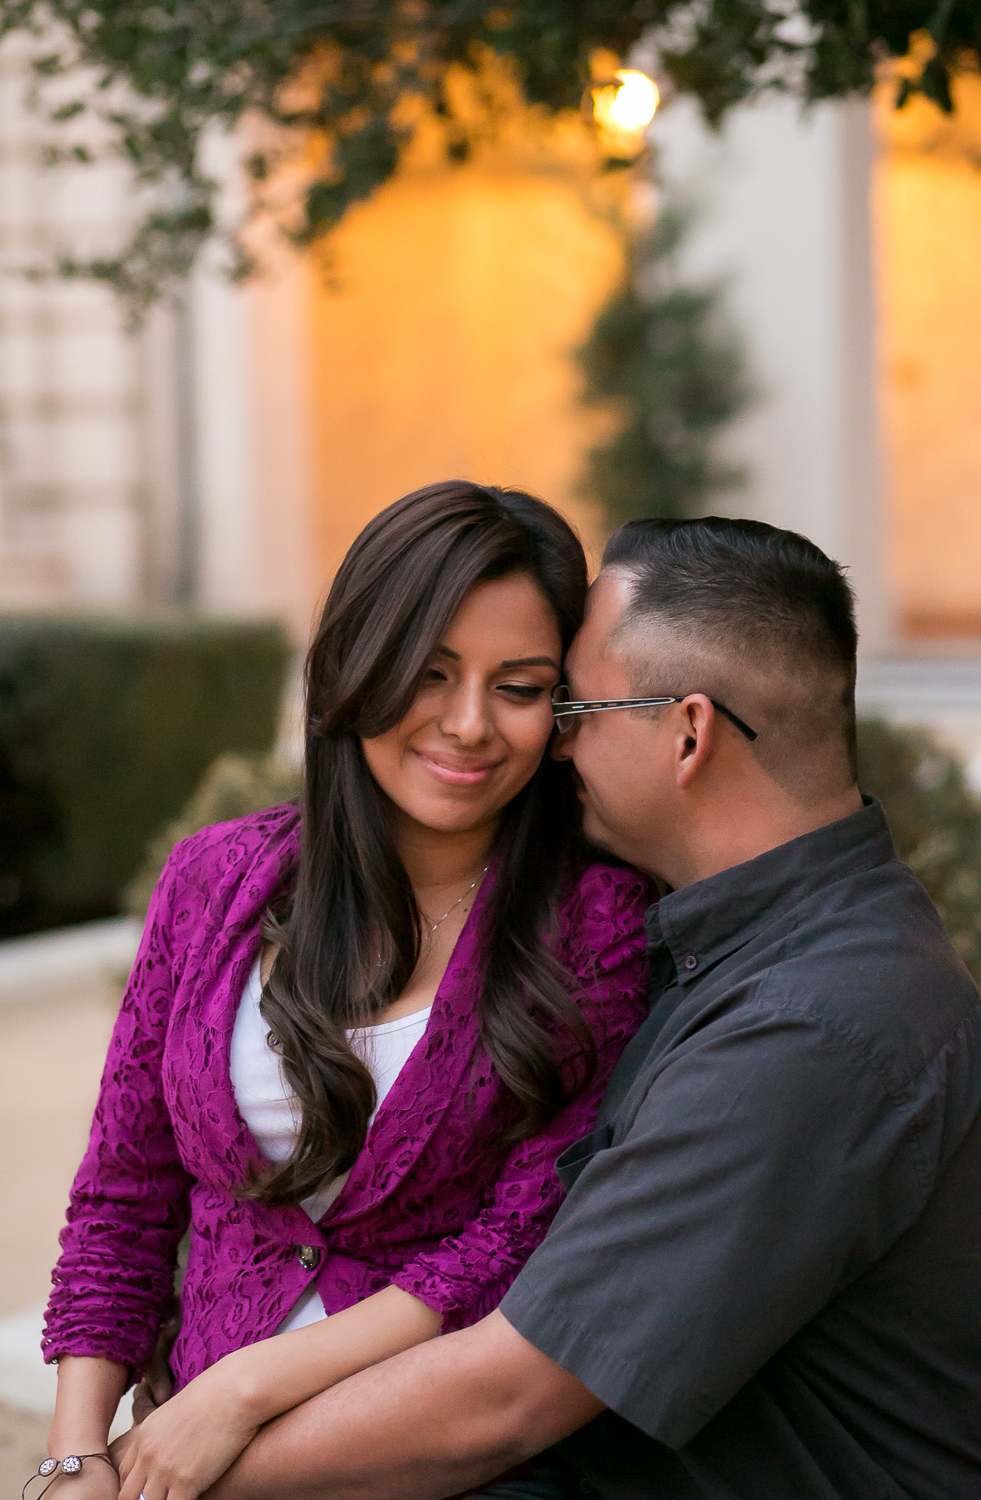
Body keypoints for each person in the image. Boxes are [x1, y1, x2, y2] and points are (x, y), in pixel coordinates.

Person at [195, 517, 980, 1500]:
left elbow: (504, 1400)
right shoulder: (727, 940)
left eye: (571, 706)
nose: (553, 748)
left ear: (687, 732)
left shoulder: (816, 1024)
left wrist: (161, 1478)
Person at [39, 481, 651, 1500]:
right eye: (430, 671)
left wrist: (241, 1393)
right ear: (354, 664)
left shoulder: (597, 923)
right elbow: (123, 1194)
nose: (467, 725)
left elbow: (524, 1239)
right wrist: (74, 1458)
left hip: (445, 1468)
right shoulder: (214, 882)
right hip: (184, 1468)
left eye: (518, 685)